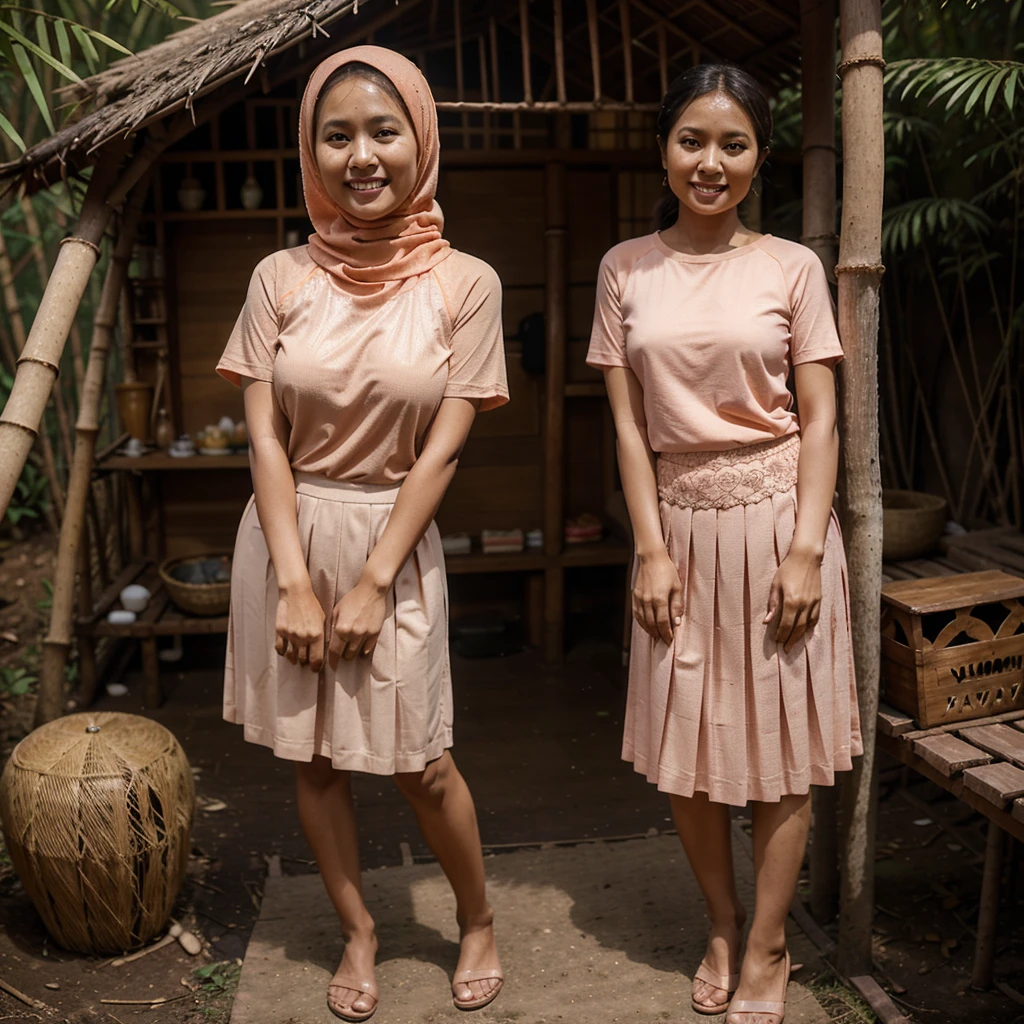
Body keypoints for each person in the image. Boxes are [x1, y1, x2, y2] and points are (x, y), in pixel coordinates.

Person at [216, 46, 507, 1022]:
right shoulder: (278, 277)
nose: (361, 154)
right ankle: (358, 929)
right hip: (290, 527)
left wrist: (377, 576)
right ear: (311, 150)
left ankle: (474, 917)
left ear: (420, 139)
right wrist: (294, 577)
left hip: (395, 533)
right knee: (316, 758)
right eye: (335, 135)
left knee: (421, 761)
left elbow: (444, 449)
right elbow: (262, 431)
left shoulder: (466, 283)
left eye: (383, 131)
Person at [587, 65, 862, 1024]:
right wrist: (649, 549)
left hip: (779, 520)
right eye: (693, 141)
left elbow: (821, 419)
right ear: (664, 150)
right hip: (677, 535)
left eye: (733, 144)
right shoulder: (624, 266)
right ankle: (720, 919)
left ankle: (771, 942)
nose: (711, 162)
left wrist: (802, 550)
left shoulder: (793, 266)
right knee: (686, 741)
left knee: (781, 748)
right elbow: (628, 428)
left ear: (757, 159)